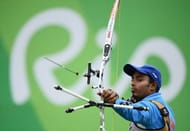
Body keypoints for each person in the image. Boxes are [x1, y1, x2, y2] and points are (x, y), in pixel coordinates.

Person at [98, 64, 176, 131]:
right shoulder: (163, 106)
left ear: (153, 86)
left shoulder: (151, 107)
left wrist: (115, 101)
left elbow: (134, 111)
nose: (132, 83)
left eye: (139, 79)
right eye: (132, 79)